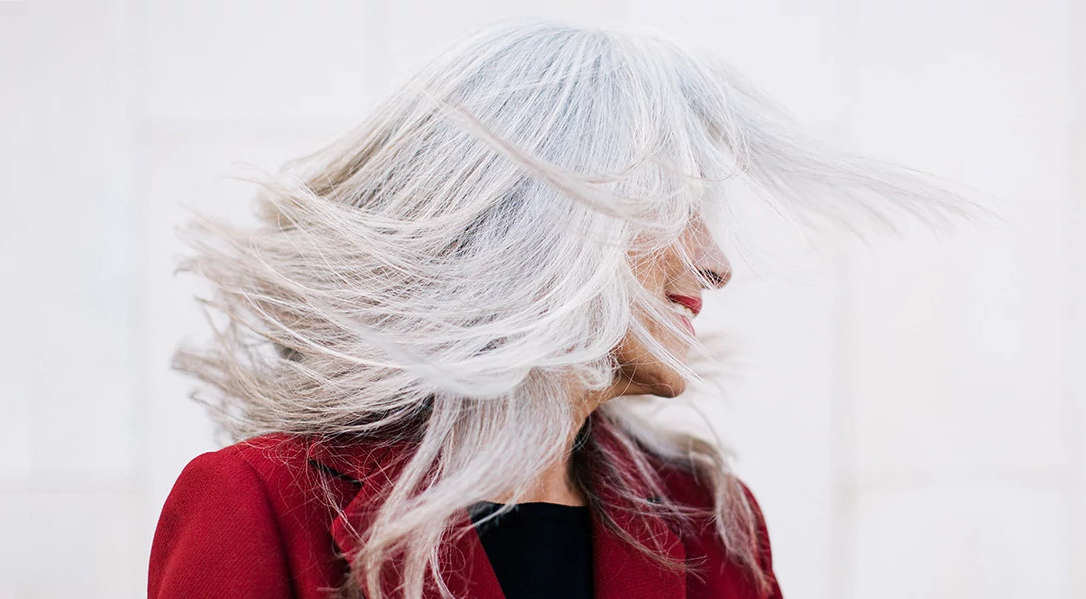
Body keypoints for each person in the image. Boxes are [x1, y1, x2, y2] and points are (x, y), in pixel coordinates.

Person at [148, 18, 967, 599]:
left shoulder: (710, 522)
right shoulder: (257, 502)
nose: (714, 262)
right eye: (672, 201)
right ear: (529, 220)